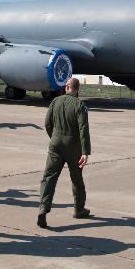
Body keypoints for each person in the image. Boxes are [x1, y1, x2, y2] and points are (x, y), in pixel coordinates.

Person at [37, 77, 92, 229]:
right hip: (73, 147)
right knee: (76, 179)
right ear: (77, 90)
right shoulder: (80, 105)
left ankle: (43, 207)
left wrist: (54, 137)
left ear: (66, 88)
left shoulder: (55, 101)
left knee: (49, 177)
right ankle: (79, 209)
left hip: (55, 144)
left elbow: (47, 123)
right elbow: (83, 129)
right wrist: (85, 152)